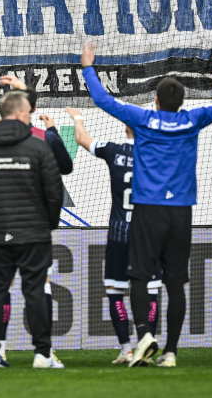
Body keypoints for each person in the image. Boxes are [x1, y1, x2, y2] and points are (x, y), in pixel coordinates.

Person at [82, 41, 212, 367]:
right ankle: (172, 352)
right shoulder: (192, 120)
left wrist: (87, 67)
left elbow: (102, 99)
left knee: (138, 277)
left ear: (155, 100)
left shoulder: (142, 120)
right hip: (180, 211)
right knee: (175, 282)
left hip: (147, 210)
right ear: (182, 102)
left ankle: (144, 336)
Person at [0, 88, 66, 369]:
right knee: (34, 291)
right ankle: (42, 355)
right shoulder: (39, 147)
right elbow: (54, 193)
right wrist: (48, 224)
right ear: (22, 113)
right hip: (33, 234)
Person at [67, 106, 163, 364]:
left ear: (125, 128)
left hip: (119, 235)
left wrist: (77, 117)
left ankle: (126, 349)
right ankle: (147, 348)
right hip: (148, 236)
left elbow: (81, 138)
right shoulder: (158, 155)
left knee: (115, 292)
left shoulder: (114, 151)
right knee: (151, 291)